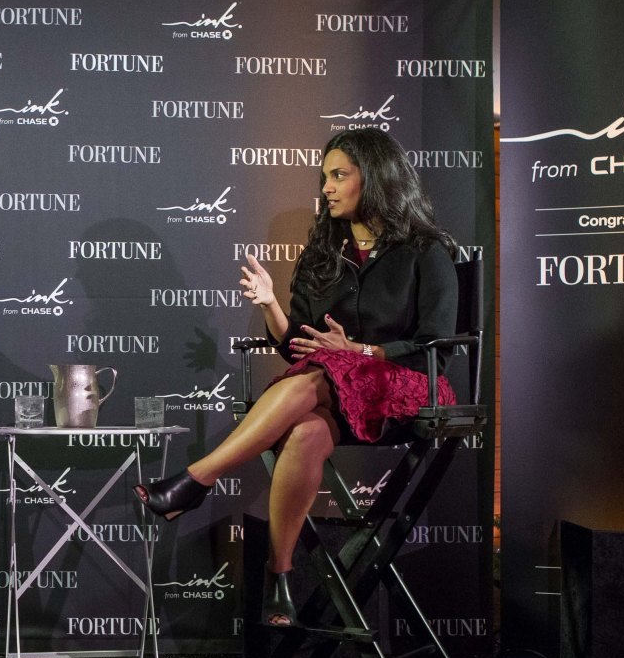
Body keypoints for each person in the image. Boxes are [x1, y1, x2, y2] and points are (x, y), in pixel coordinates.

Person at [134, 128, 459, 626]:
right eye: (325, 177)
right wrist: (271, 306)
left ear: (375, 177)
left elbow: (438, 343)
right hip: (333, 390)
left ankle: (197, 478)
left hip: (407, 387)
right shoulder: (322, 254)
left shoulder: (425, 250)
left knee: (323, 372)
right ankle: (280, 577)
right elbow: (298, 347)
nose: (326, 187)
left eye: (339, 175)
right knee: (306, 430)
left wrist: (362, 351)